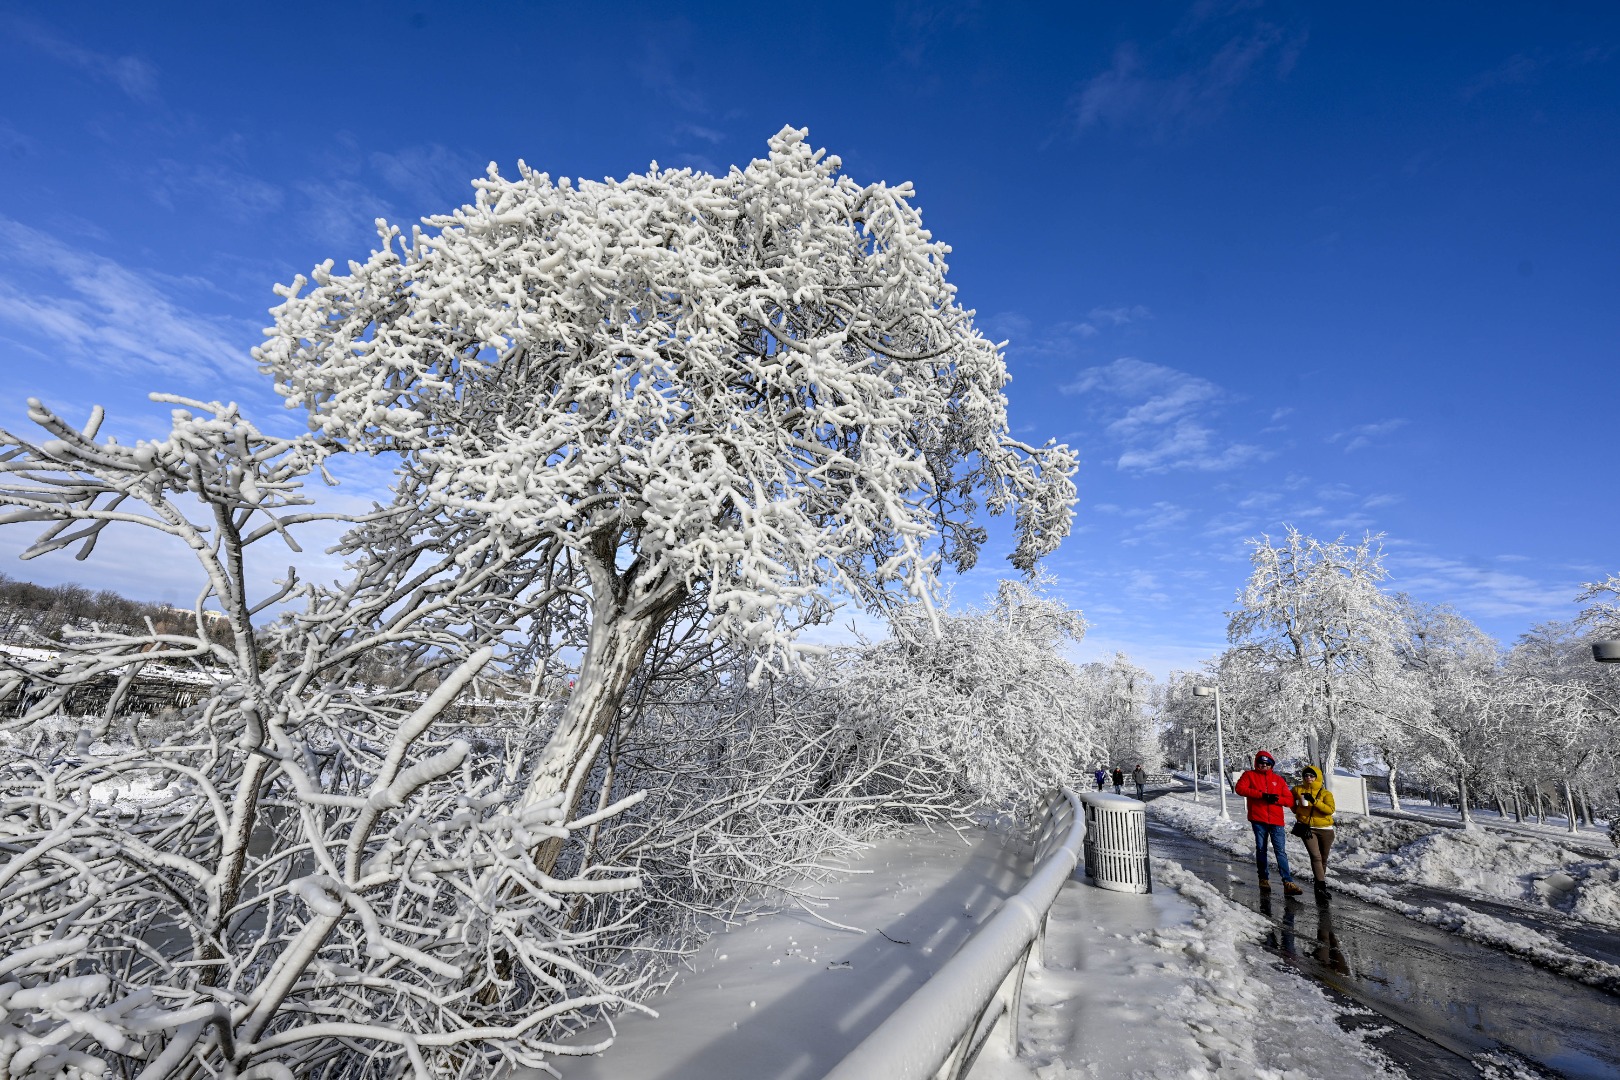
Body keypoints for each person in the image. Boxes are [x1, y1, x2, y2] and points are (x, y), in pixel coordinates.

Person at [1234, 750, 1302, 896]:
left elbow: (1289, 800)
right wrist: (1262, 795)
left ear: (1271, 765)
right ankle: (1263, 878)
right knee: (1261, 849)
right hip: (1258, 819)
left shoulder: (1278, 780)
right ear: (1256, 763)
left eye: (1267, 763)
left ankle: (1287, 882)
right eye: (1261, 763)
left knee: (1280, 851)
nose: (1264, 766)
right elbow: (1239, 789)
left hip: (1277, 821)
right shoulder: (1249, 775)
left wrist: (1276, 799)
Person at [1291, 764, 1337, 898]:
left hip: (1326, 830)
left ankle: (1318, 886)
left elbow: (1330, 810)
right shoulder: (1298, 789)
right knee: (1315, 857)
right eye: (1306, 775)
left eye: (1312, 775)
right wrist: (1297, 811)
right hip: (1308, 829)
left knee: (1323, 859)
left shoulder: (1325, 793)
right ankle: (1322, 887)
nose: (1309, 778)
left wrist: (1315, 802)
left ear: (1317, 777)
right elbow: (1288, 799)